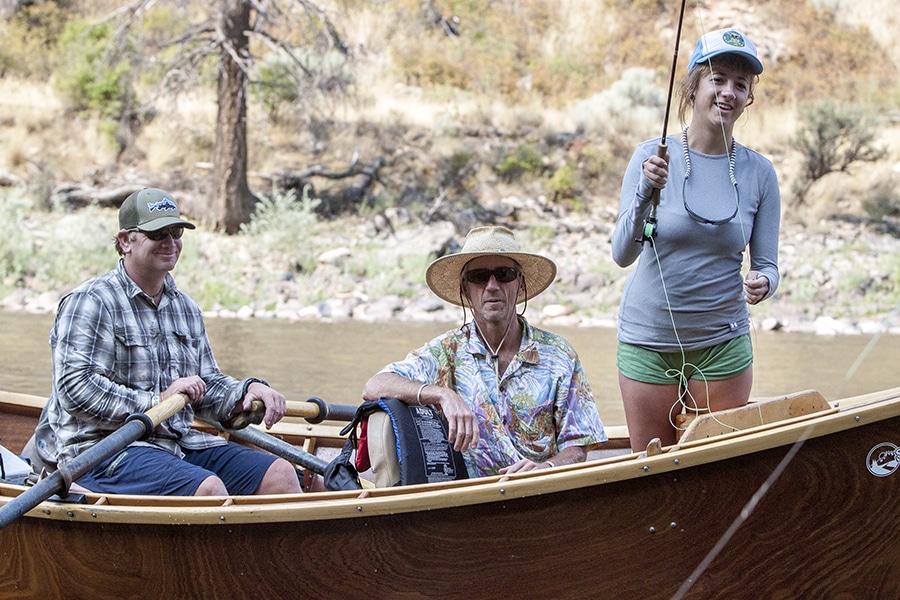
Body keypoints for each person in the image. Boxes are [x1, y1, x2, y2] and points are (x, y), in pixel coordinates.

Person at [35, 187, 302, 496]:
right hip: (101, 452)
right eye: (158, 233)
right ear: (125, 241)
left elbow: (205, 386)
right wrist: (156, 402)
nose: (171, 243)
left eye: (176, 232)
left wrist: (246, 393)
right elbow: (75, 389)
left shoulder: (185, 307)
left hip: (177, 444)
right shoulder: (90, 301)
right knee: (208, 489)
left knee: (280, 474)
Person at [611, 28, 781, 453]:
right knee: (651, 472)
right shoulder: (652, 156)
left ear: (748, 97)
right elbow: (621, 254)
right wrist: (644, 192)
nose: (728, 92)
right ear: (693, 85)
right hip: (648, 343)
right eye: (718, 78)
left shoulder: (760, 173)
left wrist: (764, 282)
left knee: (716, 473)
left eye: (740, 85)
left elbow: (768, 265)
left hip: (723, 345)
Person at [362, 226, 607, 478]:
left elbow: (578, 447)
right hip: (470, 501)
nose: (492, 286)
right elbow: (374, 385)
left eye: (504, 274)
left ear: (520, 285)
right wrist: (441, 395)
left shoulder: (559, 355)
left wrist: (546, 468)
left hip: (540, 495)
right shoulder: (446, 352)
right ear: (465, 290)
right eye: (479, 276)